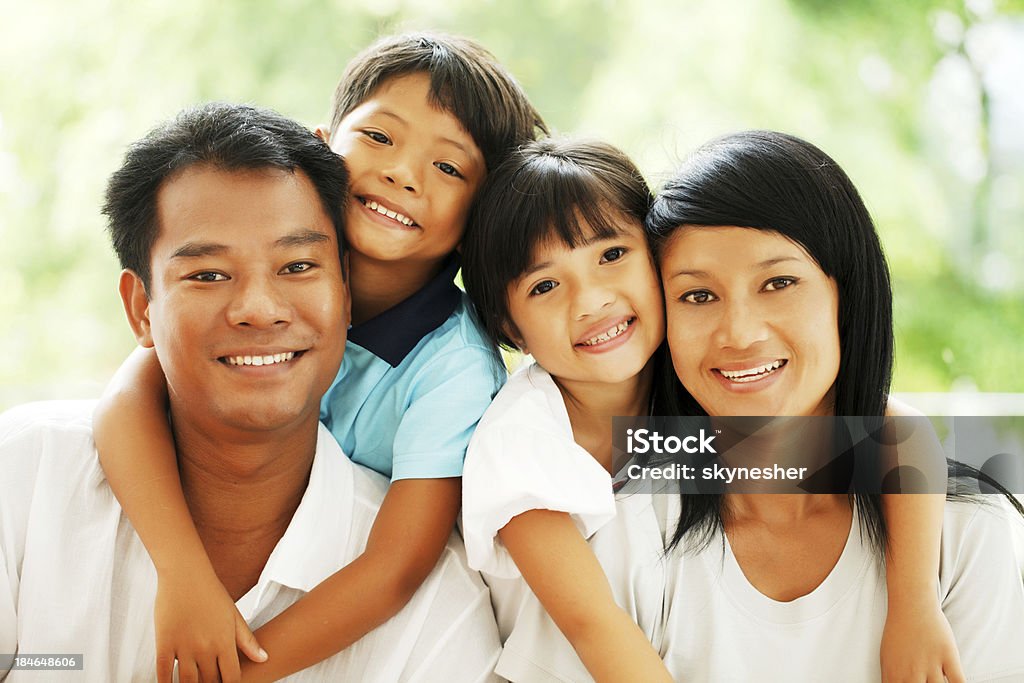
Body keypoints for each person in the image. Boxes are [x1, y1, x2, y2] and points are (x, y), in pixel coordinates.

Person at [91, 33, 546, 681]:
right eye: (380, 138)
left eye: (448, 168)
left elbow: (394, 568)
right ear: (323, 142)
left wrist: (233, 671)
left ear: (482, 211)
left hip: (353, 621)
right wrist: (184, 576)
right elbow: (127, 399)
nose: (402, 173)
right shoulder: (259, 287)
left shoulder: (455, 369)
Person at [0, 103, 503, 682]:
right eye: (208, 275)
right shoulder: (26, 481)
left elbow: (398, 567)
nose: (258, 310)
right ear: (142, 308)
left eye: (296, 266)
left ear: (345, 291)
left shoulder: (439, 614)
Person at [642, 130, 1024, 681]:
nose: (739, 333)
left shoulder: (961, 536)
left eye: (778, 282)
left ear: (846, 295)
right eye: (697, 295)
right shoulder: (633, 524)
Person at [459, 137, 673, 681]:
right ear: (511, 328)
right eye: (546, 285)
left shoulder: (686, 386)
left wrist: (914, 610)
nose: (591, 300)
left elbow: (873, 448)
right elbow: (592, 623)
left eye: (612, 255)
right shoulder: (521, 441)